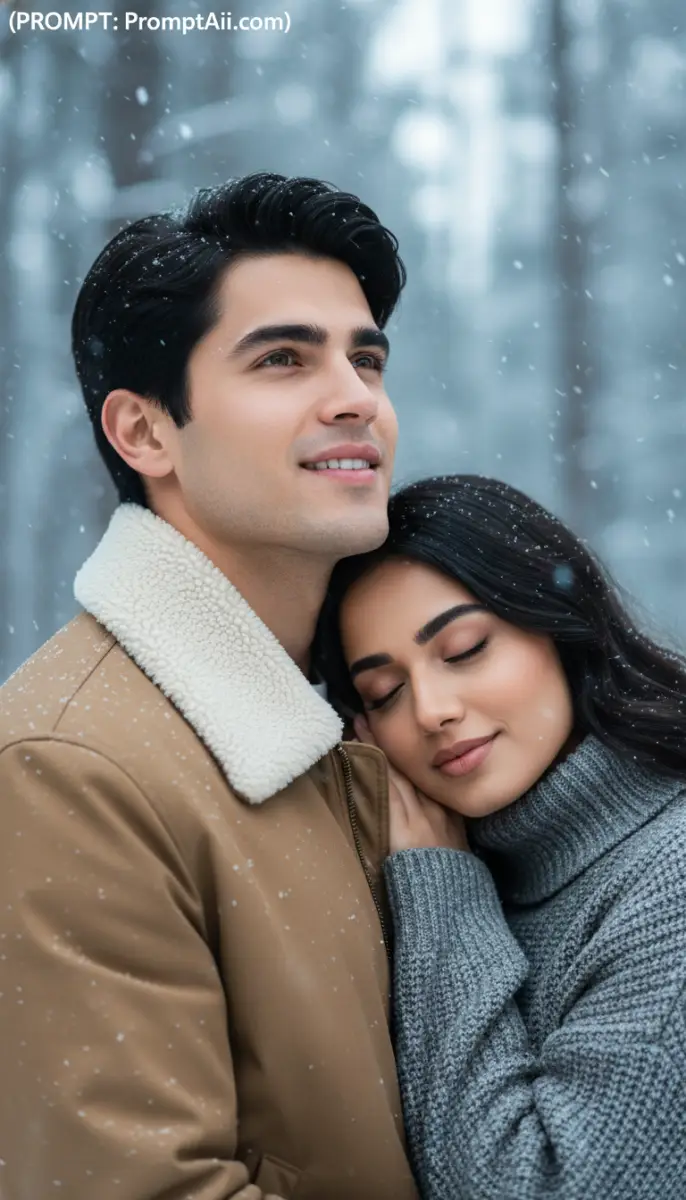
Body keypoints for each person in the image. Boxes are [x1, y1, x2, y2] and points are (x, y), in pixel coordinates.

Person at [0, 173, 420, 1200]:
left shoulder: (392, 712)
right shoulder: (65, 771)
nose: (353, 396)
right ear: (144, 433)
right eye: (283, 359)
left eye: (364, 358)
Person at [316, 473, 686, 1200]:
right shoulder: (436, 876)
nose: (430, 711)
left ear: (559, 625)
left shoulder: (670, 880)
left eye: (463, 648)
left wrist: (445, 895)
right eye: (383, 693)